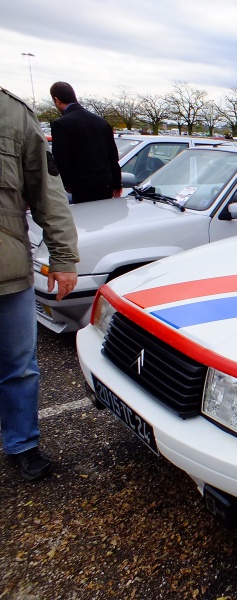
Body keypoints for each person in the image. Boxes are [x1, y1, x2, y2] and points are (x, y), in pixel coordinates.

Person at [0, 87, 79, 481]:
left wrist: (64, 258)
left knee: (19, 366)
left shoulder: (13, 114)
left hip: (8, 270)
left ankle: (22, 443)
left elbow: (47, 194)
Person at [49, 81, 122, 203]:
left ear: (57, 100)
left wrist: (66, 183)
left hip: (81, 187)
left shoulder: (61, 124)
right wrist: (117, 183)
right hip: (105, 185)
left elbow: (61, 159)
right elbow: (112, 156)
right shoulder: (101, 122)